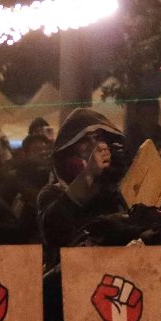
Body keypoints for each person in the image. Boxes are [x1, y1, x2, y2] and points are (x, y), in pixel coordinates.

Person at [37, 108, 126, 268]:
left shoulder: (115, 186)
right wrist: (88, 175)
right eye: (84, 141)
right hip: (68, 276)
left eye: (98, 138)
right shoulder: (52, 192)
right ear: (68, 149)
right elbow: (53, 229)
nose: (94, 145)